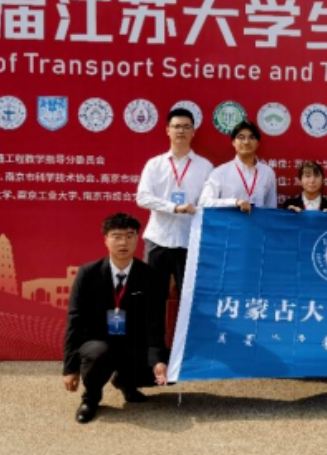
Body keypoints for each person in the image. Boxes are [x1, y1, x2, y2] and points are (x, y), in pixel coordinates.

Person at [63, 213, 169, 424]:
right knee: (99, 352)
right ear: (106, 240)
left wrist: (158, 360)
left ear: (137, 239)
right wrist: (70, 368)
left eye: (130, 236)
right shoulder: (88, 273)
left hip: (133, 341)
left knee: (172, 366)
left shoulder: (150, 276)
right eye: (117, 236)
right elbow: (75, 320)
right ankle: (91, 398)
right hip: (97, 341)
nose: (123, 242)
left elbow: (154, 321)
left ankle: (126, 382)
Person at [136, 108, 214, 304]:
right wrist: (174, 207)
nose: (181, 131)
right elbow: (142, 198)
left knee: (190, 301)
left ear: (193, 132)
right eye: (176, 126)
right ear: (168, 130)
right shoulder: (154, 164)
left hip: (189, 240)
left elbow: (209, 202)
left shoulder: (205, 167)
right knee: (152, 299)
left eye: (186, 127)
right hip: (158, 239)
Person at [198, 121, 277, 211]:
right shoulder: (220, 172)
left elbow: (271, 209)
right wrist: (234, 202)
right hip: (229, 220)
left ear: (257, 143)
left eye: (251, 137)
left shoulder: (267, 173)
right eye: (241, 137)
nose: (246, 142)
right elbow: (204, 202)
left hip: (259, 220)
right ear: (233, 143)